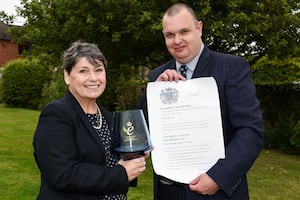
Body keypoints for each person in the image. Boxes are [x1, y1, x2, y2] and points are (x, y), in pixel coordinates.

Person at [138, 3, 264, 200]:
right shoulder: (158, 75)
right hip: (168, 193)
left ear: (199, 28)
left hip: (217, 193)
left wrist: (219, 177)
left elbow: (251, 131)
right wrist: (155, 93)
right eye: (169, 35)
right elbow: (143, 129)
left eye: (184, 31)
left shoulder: (231, 68)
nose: (177, 40)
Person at [33, 41, 148, 200]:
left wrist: (134, 155)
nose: (93, 78)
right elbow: (62, 174)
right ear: (67, 76)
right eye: (83, 71)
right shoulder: (56, 114)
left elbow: (108, 160)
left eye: (98, 70)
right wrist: (121, 173)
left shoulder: (107, 117)